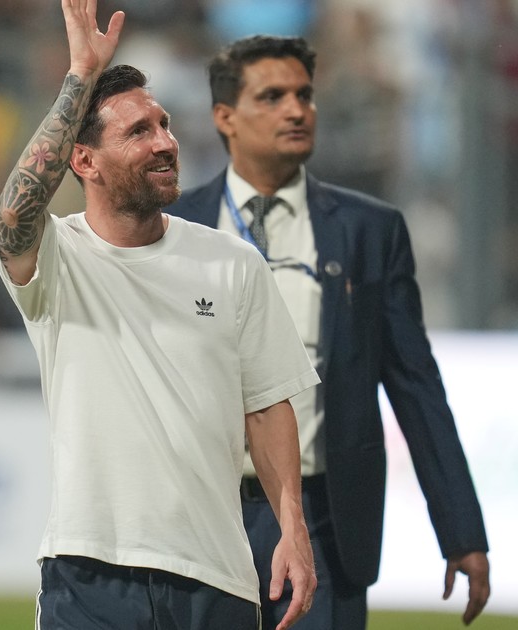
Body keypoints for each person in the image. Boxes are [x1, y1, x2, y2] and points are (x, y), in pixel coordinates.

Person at [0, 2, 318, 629]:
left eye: (164, 124)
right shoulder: (57, 259)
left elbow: (266, 406)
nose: (165, 142)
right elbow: (13, 215)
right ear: (83, 161)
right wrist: (80, 77)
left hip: (215, 577)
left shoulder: (232, 263)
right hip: (88, 573)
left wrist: (292, 528)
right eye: (138, 132)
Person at [165, 34, 491, 629]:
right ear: (225, 117)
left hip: (323, 516)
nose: (297, 110)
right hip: (199, 513)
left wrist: (461, 530)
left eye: (304, 95)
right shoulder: (173, 227)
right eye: (273, 96)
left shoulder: (370, 230)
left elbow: (415, 386)